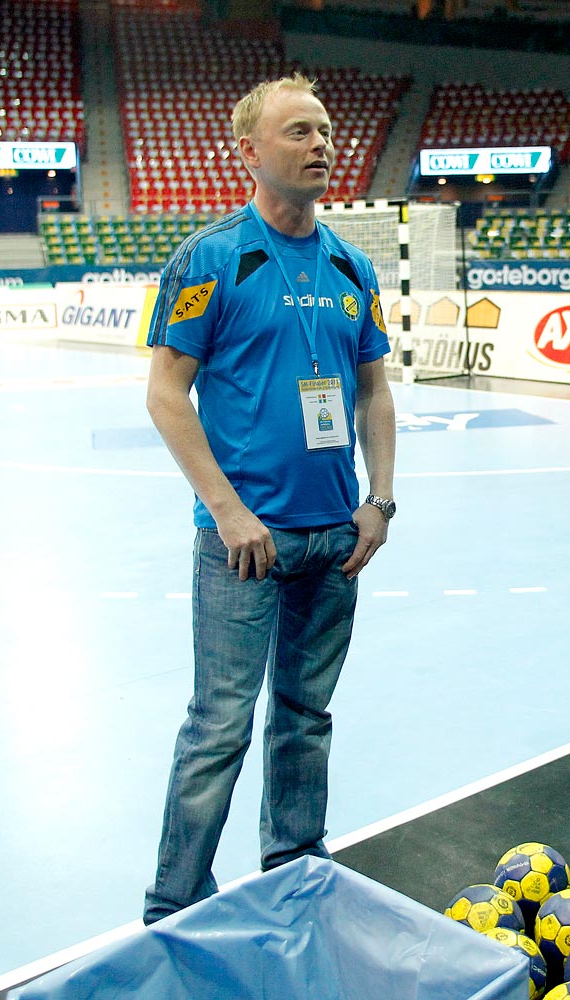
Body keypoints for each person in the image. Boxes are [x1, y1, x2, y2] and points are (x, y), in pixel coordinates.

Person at [141, 72, 397, 925]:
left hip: (335, 539)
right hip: (244, 545)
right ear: (249, 150)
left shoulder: (350, 263)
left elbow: (374, 392)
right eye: (298, 131)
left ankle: (294, 859)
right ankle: (174, 902)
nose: (321, 144)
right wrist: (227, 508)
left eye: (325, 130)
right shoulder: (213, 257)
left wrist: (381, 501)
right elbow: (166, 393)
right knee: (219, 726)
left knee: (304, 715)